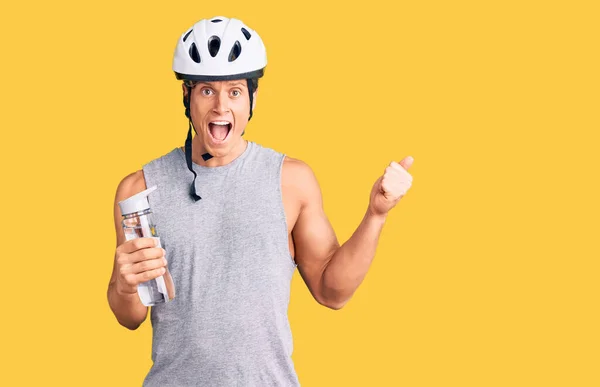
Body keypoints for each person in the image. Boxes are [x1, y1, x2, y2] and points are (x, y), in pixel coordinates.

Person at [107, 16, 414, 386]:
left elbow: (333, 292)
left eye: (234, 91)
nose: (221, 106)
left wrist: (376, 215)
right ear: (186, 97)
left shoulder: (291, 181)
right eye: (207, 91)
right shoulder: (139, 189)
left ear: (252, 98)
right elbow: (131, 316)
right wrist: (125, 286)